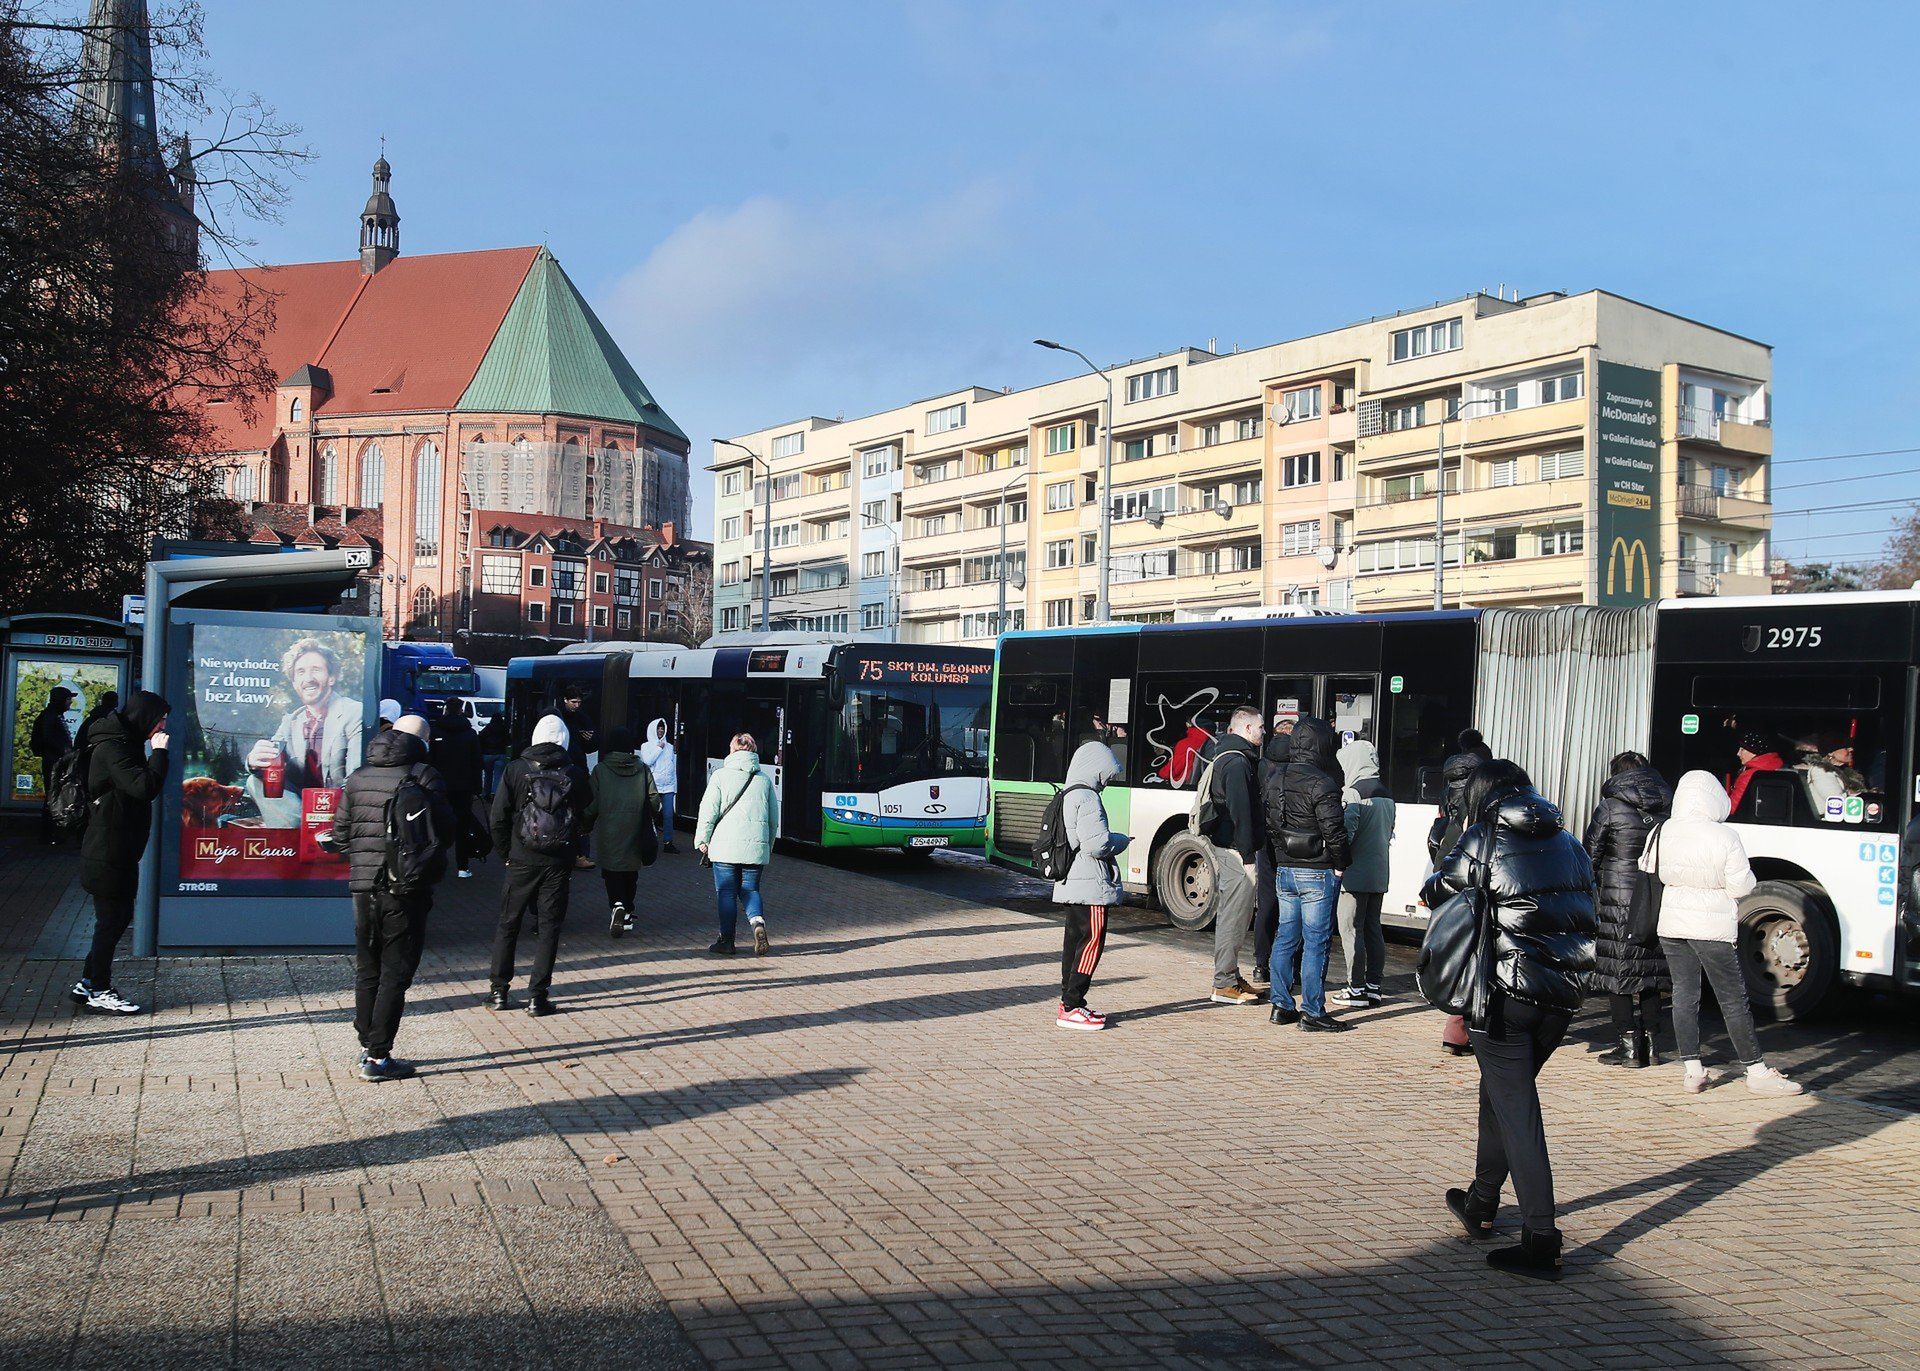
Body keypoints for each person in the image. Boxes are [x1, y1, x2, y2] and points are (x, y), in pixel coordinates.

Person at [1424, 759, 1596, 1279]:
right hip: (1560, 996)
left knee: (1518, 1112)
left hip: (1504, 995)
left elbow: (1440, 890)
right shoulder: (1568, 841)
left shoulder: (1485, 835)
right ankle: (1480, 1203)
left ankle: (1541, 1237)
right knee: (1501, 1098)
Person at [1651, 770, 1802, 1097]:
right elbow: (1742, 885)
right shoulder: (1724, 836)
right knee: (1732, 999)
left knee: (1684, 995)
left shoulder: (1666, 829)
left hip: (1673, 922)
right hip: (1712, 926)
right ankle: (1756, 1071)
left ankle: (1692, 1071)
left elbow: (1656, 872)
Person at [331, 713, 453, 1082]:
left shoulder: (357, 777)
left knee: (368, 966)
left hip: (362, 886)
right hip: (404, 889)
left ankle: (367, 1042)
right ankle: (379, 1056)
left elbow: (340, 836)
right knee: (395, 971)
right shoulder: (425, 775)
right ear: (423, 741)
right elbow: (443, 832)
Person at [72, 691, 170, 1014]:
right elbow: (144, 787)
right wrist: (159, 753)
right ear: (145, 717)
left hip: (116, 847)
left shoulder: (121, 742)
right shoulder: (114, 748)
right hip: (108, 850)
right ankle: (99, 987)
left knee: (113, 918)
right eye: (159, 719)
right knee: (112, 919)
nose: (162, 725)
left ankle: (88, 982)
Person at [488, 714, 590, 1015]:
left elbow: (498, 817)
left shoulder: (516, 769)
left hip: (521, 857)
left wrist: (507, 851)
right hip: (558, 860)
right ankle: (537, 996)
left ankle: (499, 992)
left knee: (508, 923)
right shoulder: (575, 772)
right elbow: (587, 814)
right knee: (549, 927)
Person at [1262, 716, 1352, 1031]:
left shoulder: (1276, 777)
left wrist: (1281, 856)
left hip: (1285, 867)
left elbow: (1271, 824)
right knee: (1316, 941)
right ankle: (1313, 1011)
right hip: (1316, 869)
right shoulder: (1323, 782)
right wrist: (1341, 863)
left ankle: (1281, 1005)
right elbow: (1335, 830)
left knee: (1286, 936)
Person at [1583, 752, 1673, 1068]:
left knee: (1616, 972)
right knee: (1650, 972)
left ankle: (1628, 1046)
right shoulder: (1669, 807)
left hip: (1617, 899)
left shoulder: (1611, 807)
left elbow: (1589, 854)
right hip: (1657, 896)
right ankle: (1653, 1045)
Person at [1051, 740, 1129, 1030]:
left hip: (1072, 881)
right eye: (1106, 776)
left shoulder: (1069, 792)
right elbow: (1097, 844)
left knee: (1073, 941)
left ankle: (1069, 1002)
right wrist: (1121, 840)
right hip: (1090, 882)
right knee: (1092, 942)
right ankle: (1072, 1005)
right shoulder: (1087, 798)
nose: (1107, 782)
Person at [246, 639, 364, 822]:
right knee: (255, 782)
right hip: (300, 813)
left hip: (339, 811)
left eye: (316, 670)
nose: (308, 679)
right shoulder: (291, 721)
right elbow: (271, 769)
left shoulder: (354, 712)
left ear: (332, 677)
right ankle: (292, 840)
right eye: (301, 672)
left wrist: (326, 813)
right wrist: (254, 762)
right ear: (294, 683)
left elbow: (357, 777)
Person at [1198, 707, 1266, 1006]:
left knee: (1235, 914)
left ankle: (1230, 976)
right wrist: (1248, 854)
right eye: (1261, 727)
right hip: (1236, 850)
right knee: (1234, 917)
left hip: (1229, 846)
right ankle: (1224, 983)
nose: (1264, 733)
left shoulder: (1227, 755)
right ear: (1247, 727)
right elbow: (1242, 812)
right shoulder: (1238, 763)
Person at [696, 732, 778, 957]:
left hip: (725, 848)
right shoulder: (763, 779)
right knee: (750, 889)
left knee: (727, 893)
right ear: (753, 751)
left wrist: (702, 839)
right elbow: (773, 817)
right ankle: (757, 923)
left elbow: (708, 809)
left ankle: (727, 941)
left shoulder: (720, 776)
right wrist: (767, 844)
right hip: (755, 847)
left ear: (732, 750)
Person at [1330, 739, 1395, 1009]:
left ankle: (1355, 989)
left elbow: (1347, 833)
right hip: (1379, 872)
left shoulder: (1353, 794)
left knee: (1349, 929)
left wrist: (1337, 863)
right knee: (1373, 929)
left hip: (1355, 874)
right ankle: (1373, 986)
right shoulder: (1387, 794)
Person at [589, 725, 661, 937]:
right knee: (631, 872)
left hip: (609, 830)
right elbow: (654, 800)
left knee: (611, 872)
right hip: (636, 828)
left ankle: (617, 905)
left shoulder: (600, 770)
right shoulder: (643, 769)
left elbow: (591, 804)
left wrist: (585, 824)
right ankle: (628, 910)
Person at [1250, 729, 1291, 993]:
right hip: (1288, 847)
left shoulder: (1258, 769)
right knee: (1290, 907)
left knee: (1266, 903)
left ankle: (1260, 964)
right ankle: (1288, 968)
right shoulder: (1293, 774)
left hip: (1265, 845)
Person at [429, 701, 485, 877]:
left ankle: (436, 863)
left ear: (445, 709)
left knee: (437, 825)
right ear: (462, 710)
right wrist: (477, 787)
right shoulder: (470, 734)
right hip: (464, 787)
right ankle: (463, 866)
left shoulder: (435, 731)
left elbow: (430, 760)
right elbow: (476, 763)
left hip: (439, 787)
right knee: (463, 826)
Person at [548, 685, 598, 869]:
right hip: (568, 768)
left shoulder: (581, 719)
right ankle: (574, 853)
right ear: (565, 700)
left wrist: (590, 739)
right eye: (574, 702)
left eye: (579, 702)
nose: (577, 706)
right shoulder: (559, 719)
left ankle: (579, 854)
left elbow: (592, 743)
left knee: (578, 813)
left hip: (576, 768)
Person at [31, 685, 78, 845]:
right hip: (54, 762)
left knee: (54, 795)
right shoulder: (51, 717)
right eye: (67, 700)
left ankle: (50, 833)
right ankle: (48, 834)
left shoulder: (52, 715)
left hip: (54, 761)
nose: (70, 703)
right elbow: (47, 738)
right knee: (53, 796)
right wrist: (64, 751)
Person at [640, 718, 681, 853]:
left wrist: (674, 787)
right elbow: (647, 761)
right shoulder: (646, 746)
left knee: (669, 814)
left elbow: (672, 767)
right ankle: (648, 840)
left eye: (662, 728)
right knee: (651, 813)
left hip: (668, 786)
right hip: (654, 785)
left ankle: (668, 842)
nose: (660, 731)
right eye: (658, 728)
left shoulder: (669, 747)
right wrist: (658, 748)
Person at [1725, 732, 1784, 815]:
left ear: (1753, 752)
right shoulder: (1779, 769)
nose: (1738, 753)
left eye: (1742, 749)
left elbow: (1731, 809)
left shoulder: (1749, 775)